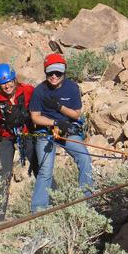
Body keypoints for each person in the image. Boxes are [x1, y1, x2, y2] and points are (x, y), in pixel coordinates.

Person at [28, 53, 94, 213]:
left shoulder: (71, 88)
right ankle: (39, 210)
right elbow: (35, 118)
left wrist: (59, 108)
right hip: (46, 132)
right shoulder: (39, 91)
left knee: (84, 158)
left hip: (68, 131)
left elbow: (76, 114)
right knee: (45, 169)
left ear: (64, 72)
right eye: (51, 73)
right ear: (46, 72)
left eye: (58, 73)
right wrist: (55, 122)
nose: (54, 76)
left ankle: (85, 202)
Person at [0, 63, 37, 222]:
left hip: (26, 132)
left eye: (9, 82)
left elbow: (38, 106)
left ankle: (55, 201)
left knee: (39, 164)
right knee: (3, 174)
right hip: (6, 136)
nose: (7, 86)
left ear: (14, 79)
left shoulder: (27, 90)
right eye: (3, 83)